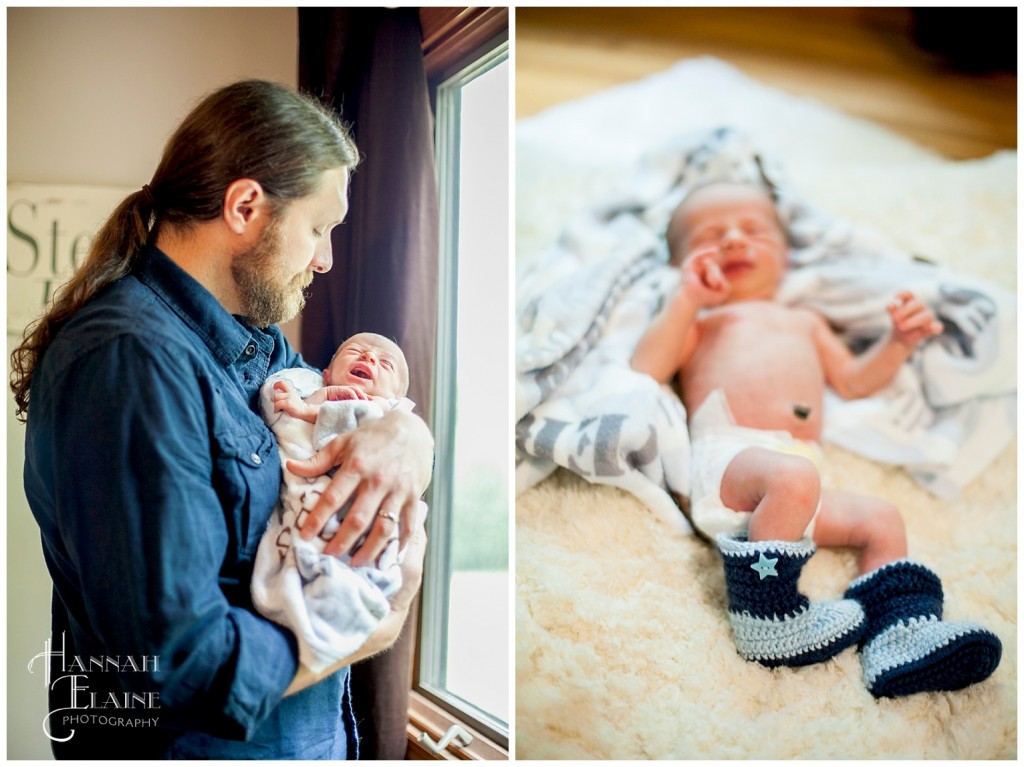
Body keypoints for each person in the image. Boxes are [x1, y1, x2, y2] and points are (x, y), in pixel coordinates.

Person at [10, 80, 434, 759]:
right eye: (319, 228)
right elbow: (180, 666)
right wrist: (365, 633)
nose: (325, 259)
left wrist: (407, 436)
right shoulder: (129, 361)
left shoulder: (254, 345)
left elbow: (346, 412)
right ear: (245, 207)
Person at [631, 180, 1001, 697]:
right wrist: (687, 300)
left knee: (881, 518)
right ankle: (766, 617)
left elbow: (853, 379)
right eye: (711, 236)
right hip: (732, 463)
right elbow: (646, 369)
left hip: (795, 482)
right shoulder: (704, 323)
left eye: (753, 231)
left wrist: (898, 342)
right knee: (794, 478)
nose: (734, 240)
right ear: (681, 263)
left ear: (784, 256)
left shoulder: (804, 320)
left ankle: (899, 637)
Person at [252, 332, 426, 675]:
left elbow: (356, 416)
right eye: (356, 352)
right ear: (326, 373)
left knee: (354, 563)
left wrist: (308, 409)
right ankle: (314, 625)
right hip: (314, 497)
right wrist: (312, 400)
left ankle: (333, 613)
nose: (370, 360)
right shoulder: (311, 385)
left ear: (398, 397)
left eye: (385, 363)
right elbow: (285, 410)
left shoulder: (388, 412)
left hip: (364, 512)